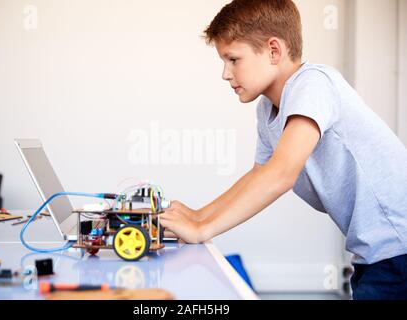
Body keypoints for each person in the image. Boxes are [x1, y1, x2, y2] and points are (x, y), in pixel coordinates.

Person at [160, 0, 407, 300]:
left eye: (233, 59)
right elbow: (259, 175)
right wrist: (198, 216)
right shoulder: (268, 109)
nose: (225, 74)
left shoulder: (313, 84)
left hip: (399, 250)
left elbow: (281, 175)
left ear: (274, 51)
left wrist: (203, 230)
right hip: (376, 255)